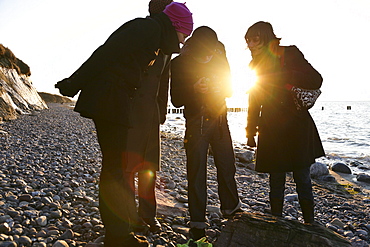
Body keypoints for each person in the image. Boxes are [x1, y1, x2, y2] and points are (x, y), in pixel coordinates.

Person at [55, 2, 193, 246]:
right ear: (176, 26)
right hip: (108, 99)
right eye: (184, 35)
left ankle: (117, 233)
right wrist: (74, 82)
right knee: (114, 170)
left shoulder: (155, 37)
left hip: (115, 99)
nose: (183, 42)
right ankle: (118, 236)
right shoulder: (146, 29)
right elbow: (106, 52)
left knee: (114, 169)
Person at [244, 21, 325, 224]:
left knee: (302, 178)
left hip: (297, 124)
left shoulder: (289, 53)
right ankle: (276, 223)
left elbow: (316, 79)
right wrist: (250, 131)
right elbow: (254, 99)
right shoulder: (255, 65)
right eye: (248, 41)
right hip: (271, 128)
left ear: (266, 36)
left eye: (255, 39)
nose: (251, 44)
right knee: (276, 179)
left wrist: (285, 75)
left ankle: (310, 224)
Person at [170, 26, 241, 241]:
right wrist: (194, 88)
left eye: (213, 51)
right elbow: (176, 100)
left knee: (227, 165)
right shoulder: (180, 63)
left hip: (220, 119)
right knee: (196, 171)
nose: (209, 55)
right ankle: (197, 223)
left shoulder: (220, 55)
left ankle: (230, 210)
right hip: (195, 121)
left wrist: (220, 88)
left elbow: (230, 90)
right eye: (206, 53)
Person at [125, 0, 174, 234]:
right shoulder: (141, 33)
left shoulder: (167, 45)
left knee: (149, 167)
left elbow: (165, 81)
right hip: (131, 110)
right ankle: (128, 215)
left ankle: (148, 214)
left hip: (152, 113)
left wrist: (162, 111)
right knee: (128, 165)